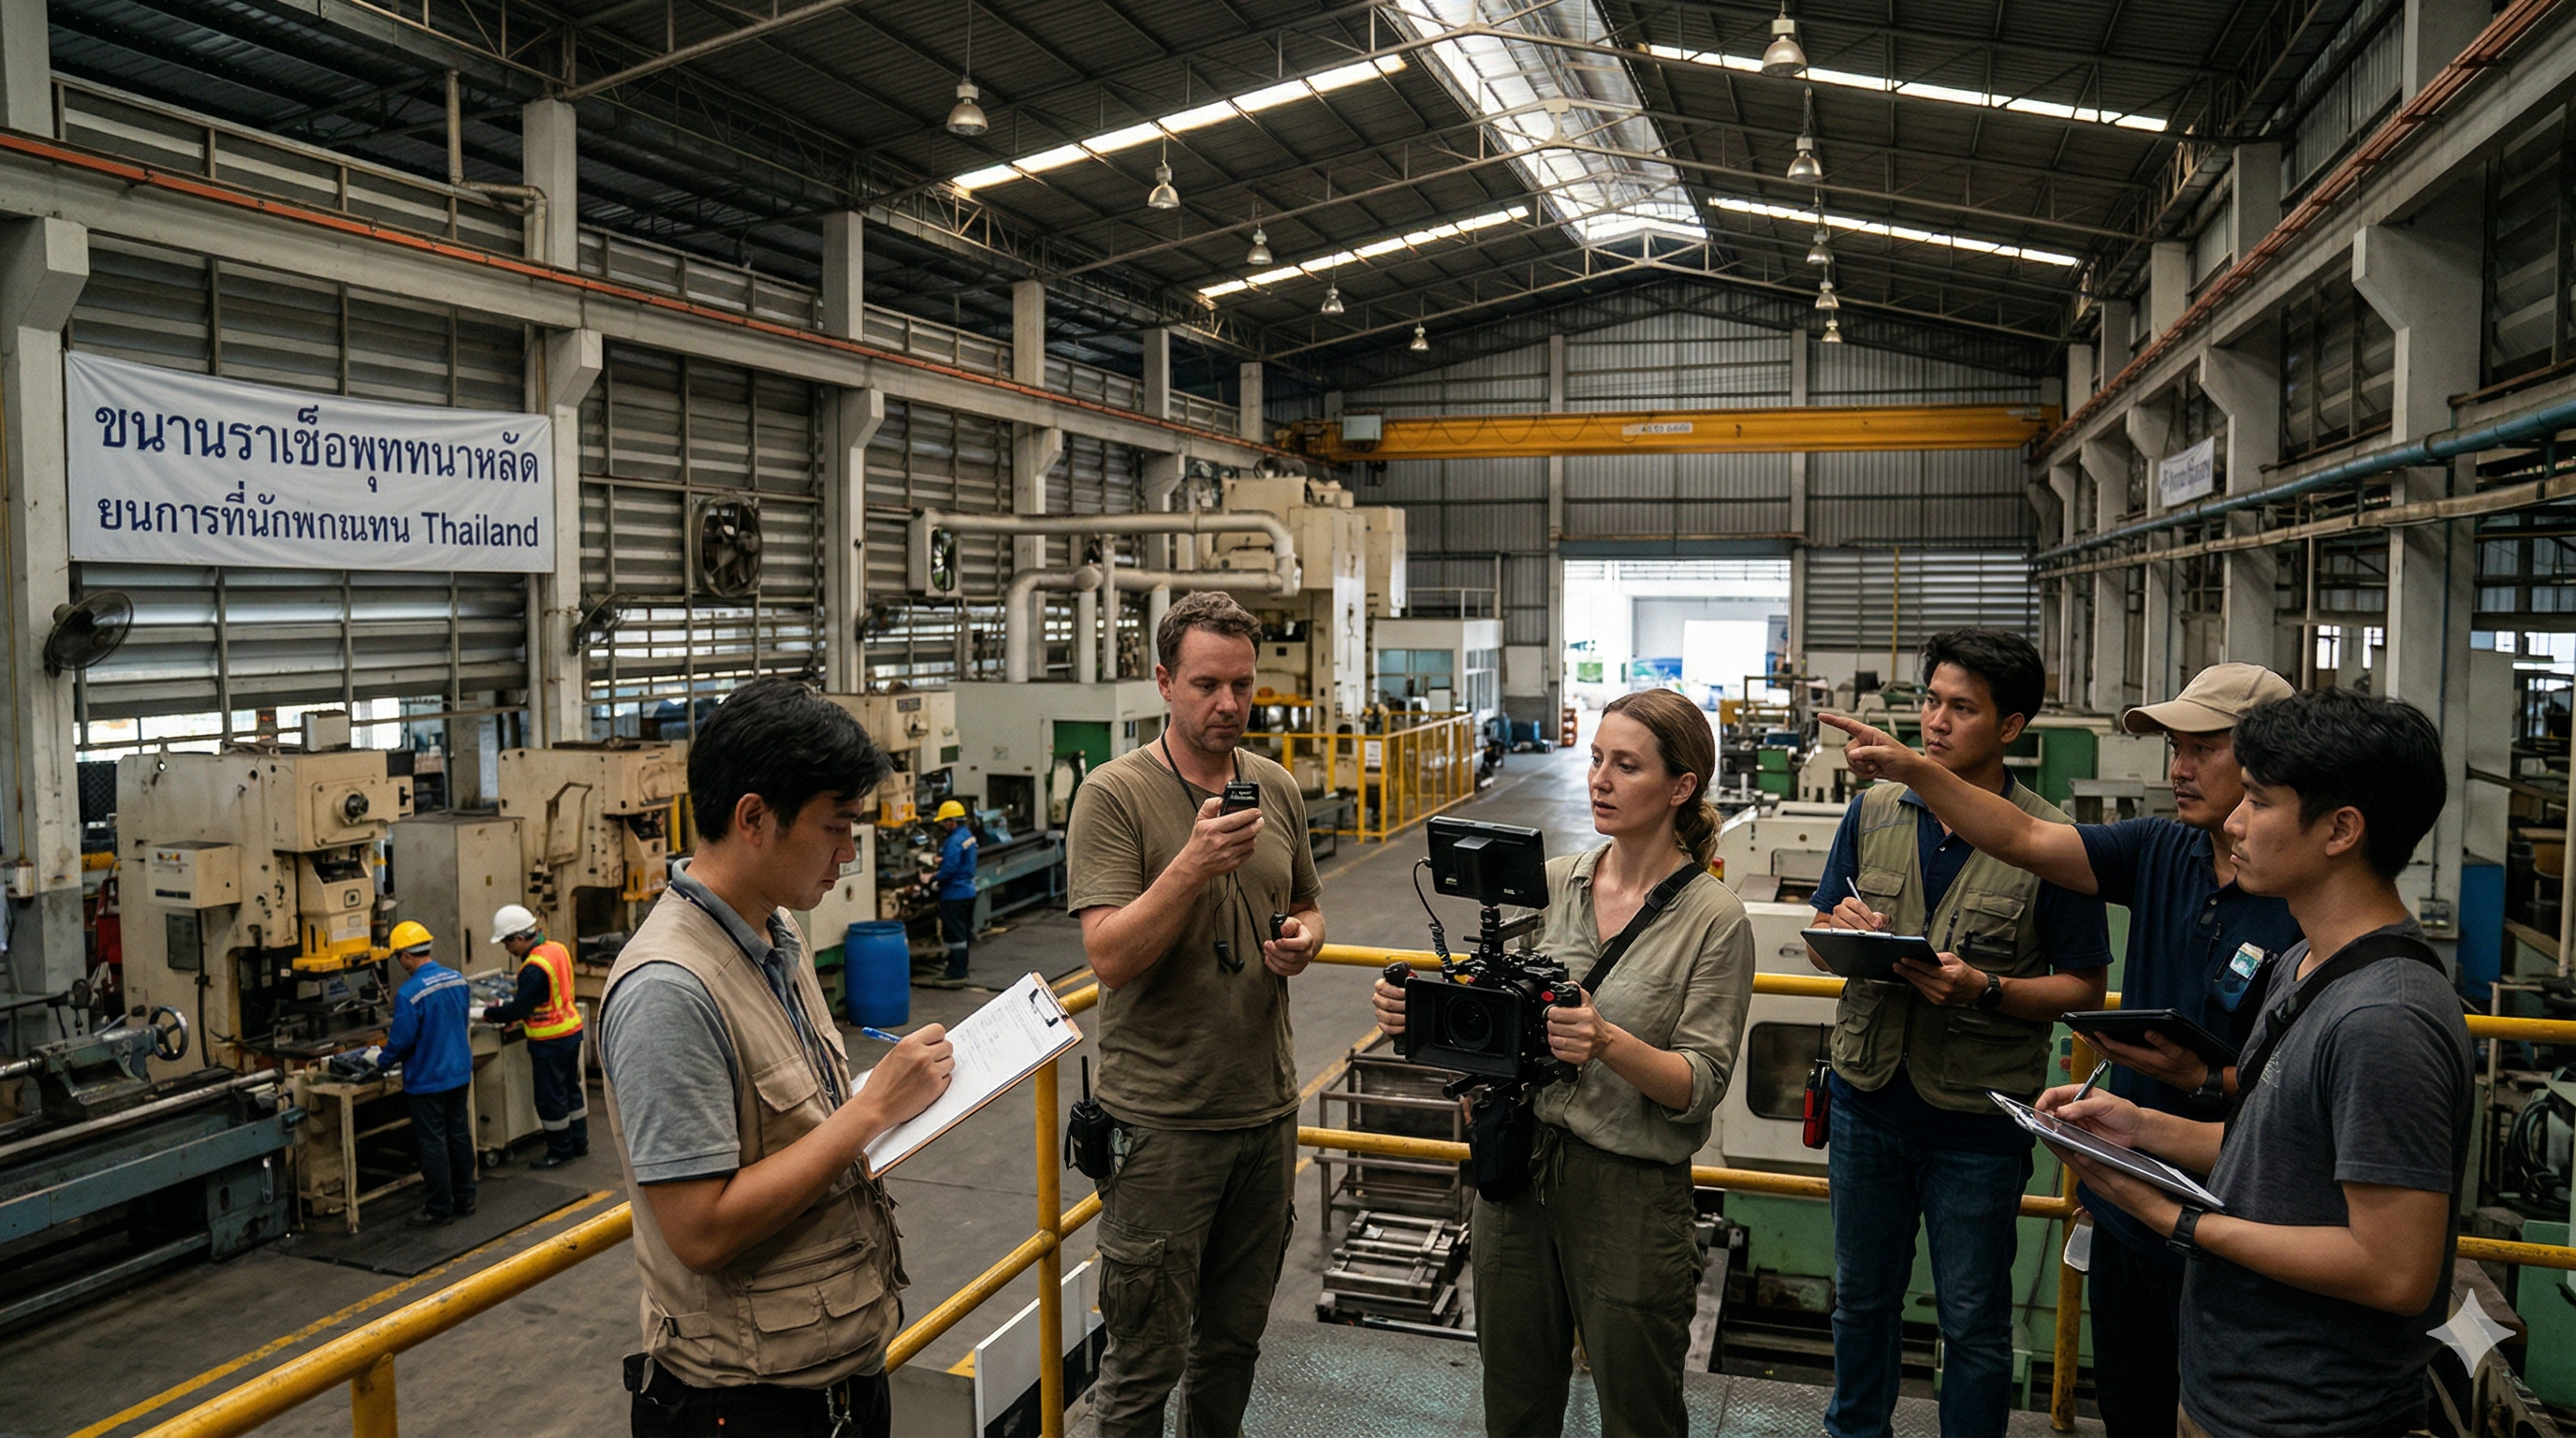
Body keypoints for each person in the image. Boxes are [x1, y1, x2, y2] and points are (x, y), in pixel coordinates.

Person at [1824, 662, 2304, 1438]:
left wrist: (2207, 1076)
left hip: (2248, 1215)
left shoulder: (2303, 897)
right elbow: (2020, 837)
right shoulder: (2158, 850)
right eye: (2173, 749)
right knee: (2132, 1407)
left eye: (2202, 749)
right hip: (2131, 1199)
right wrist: (1912, 767)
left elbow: (2317, 1093)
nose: (2178, 769)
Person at [2039, 688, 2470, 1438]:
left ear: (2341, 830)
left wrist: (2177, 1222)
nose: (2234, 821)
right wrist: (2140, 1127)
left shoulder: (2383, 1019)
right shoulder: (2305, 964)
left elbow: (2394, 1271)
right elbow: (2277, 1152)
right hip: (2231, 1390)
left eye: (2260, 802)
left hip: (2308, 1411)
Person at [1371, 687, 1755, 1436]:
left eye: (1627, 766)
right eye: (1597, 760)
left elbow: (1699, 1086)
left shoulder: (1715, 920)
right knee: (1515, 1403)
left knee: (1638, 1408)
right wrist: (1417, 1012)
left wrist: (1606, 1040)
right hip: (1518, 1178)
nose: (1601, 780)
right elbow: (1501, 1017)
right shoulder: (1553, 884)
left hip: (1631, 1197)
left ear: (1682, 787)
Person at [596, 677, 958, 1438]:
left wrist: (885, 1102)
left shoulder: (774, 937)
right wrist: (871, 1108)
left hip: (837, 1374)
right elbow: (700, 1231)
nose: (848, 853)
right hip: (748, 1407)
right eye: (836, 827)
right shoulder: (670, 990)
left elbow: (793, 1125)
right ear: (754, 818)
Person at [1808, 629, 2114, 1438]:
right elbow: (1814, 930)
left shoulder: (2053, 842)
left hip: (1976, 1126)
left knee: (1974, 1323)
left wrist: (1984, 988)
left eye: (1962, 708)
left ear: (2010, 727)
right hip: (1866, 1102)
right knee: (1860, 1301)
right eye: (1931, 702)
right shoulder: (1873, 810)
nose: (1936, 723)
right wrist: (1840, 924)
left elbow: (2085, 987)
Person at [1064, 590, 1326, 1438]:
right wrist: (1190, 867)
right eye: (1209, 685)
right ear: (1163, 682)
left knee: (1233, 1347)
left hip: (1265, 1114)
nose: (1230, 705)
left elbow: (1311, 906)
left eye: (1244, 685)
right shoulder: (1114, 797)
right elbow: (1109, 956)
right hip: (1164, 1130)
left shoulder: (1274, 786)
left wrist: (1302, 940)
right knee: (1143, 1366)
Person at [380, 919, 476, 1228]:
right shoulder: (458, 980)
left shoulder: (410, 994)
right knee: (458, 1135)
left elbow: (402, 1040)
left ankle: (439, 1208)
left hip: (428, 1079)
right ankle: (465, 1198)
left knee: (433, 1142)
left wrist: (380, 1062)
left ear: (406, 956)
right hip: (458, 1073)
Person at [480, 902, 590, 1168]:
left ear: (519, 938)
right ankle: (579, 1142)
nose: (507, 949)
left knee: (550, 1098)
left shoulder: (532, 969)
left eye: (508, 943)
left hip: (549, 1041)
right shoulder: (557, 949)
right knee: (571, 1090)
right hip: (571, 1031)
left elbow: (520, 1008)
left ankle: (560, 1151)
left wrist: (491, 1014)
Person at [925, 800, 979, 987]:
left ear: (951, 821)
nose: (942, 826)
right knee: (963, 934)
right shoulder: (967, 836)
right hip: (968, 892)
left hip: (954, 894)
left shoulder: (953, 841)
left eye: (943, 822)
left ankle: (956, 973)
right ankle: (959, 968)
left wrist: (931, 878)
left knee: (954, 936)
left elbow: (949, 869)